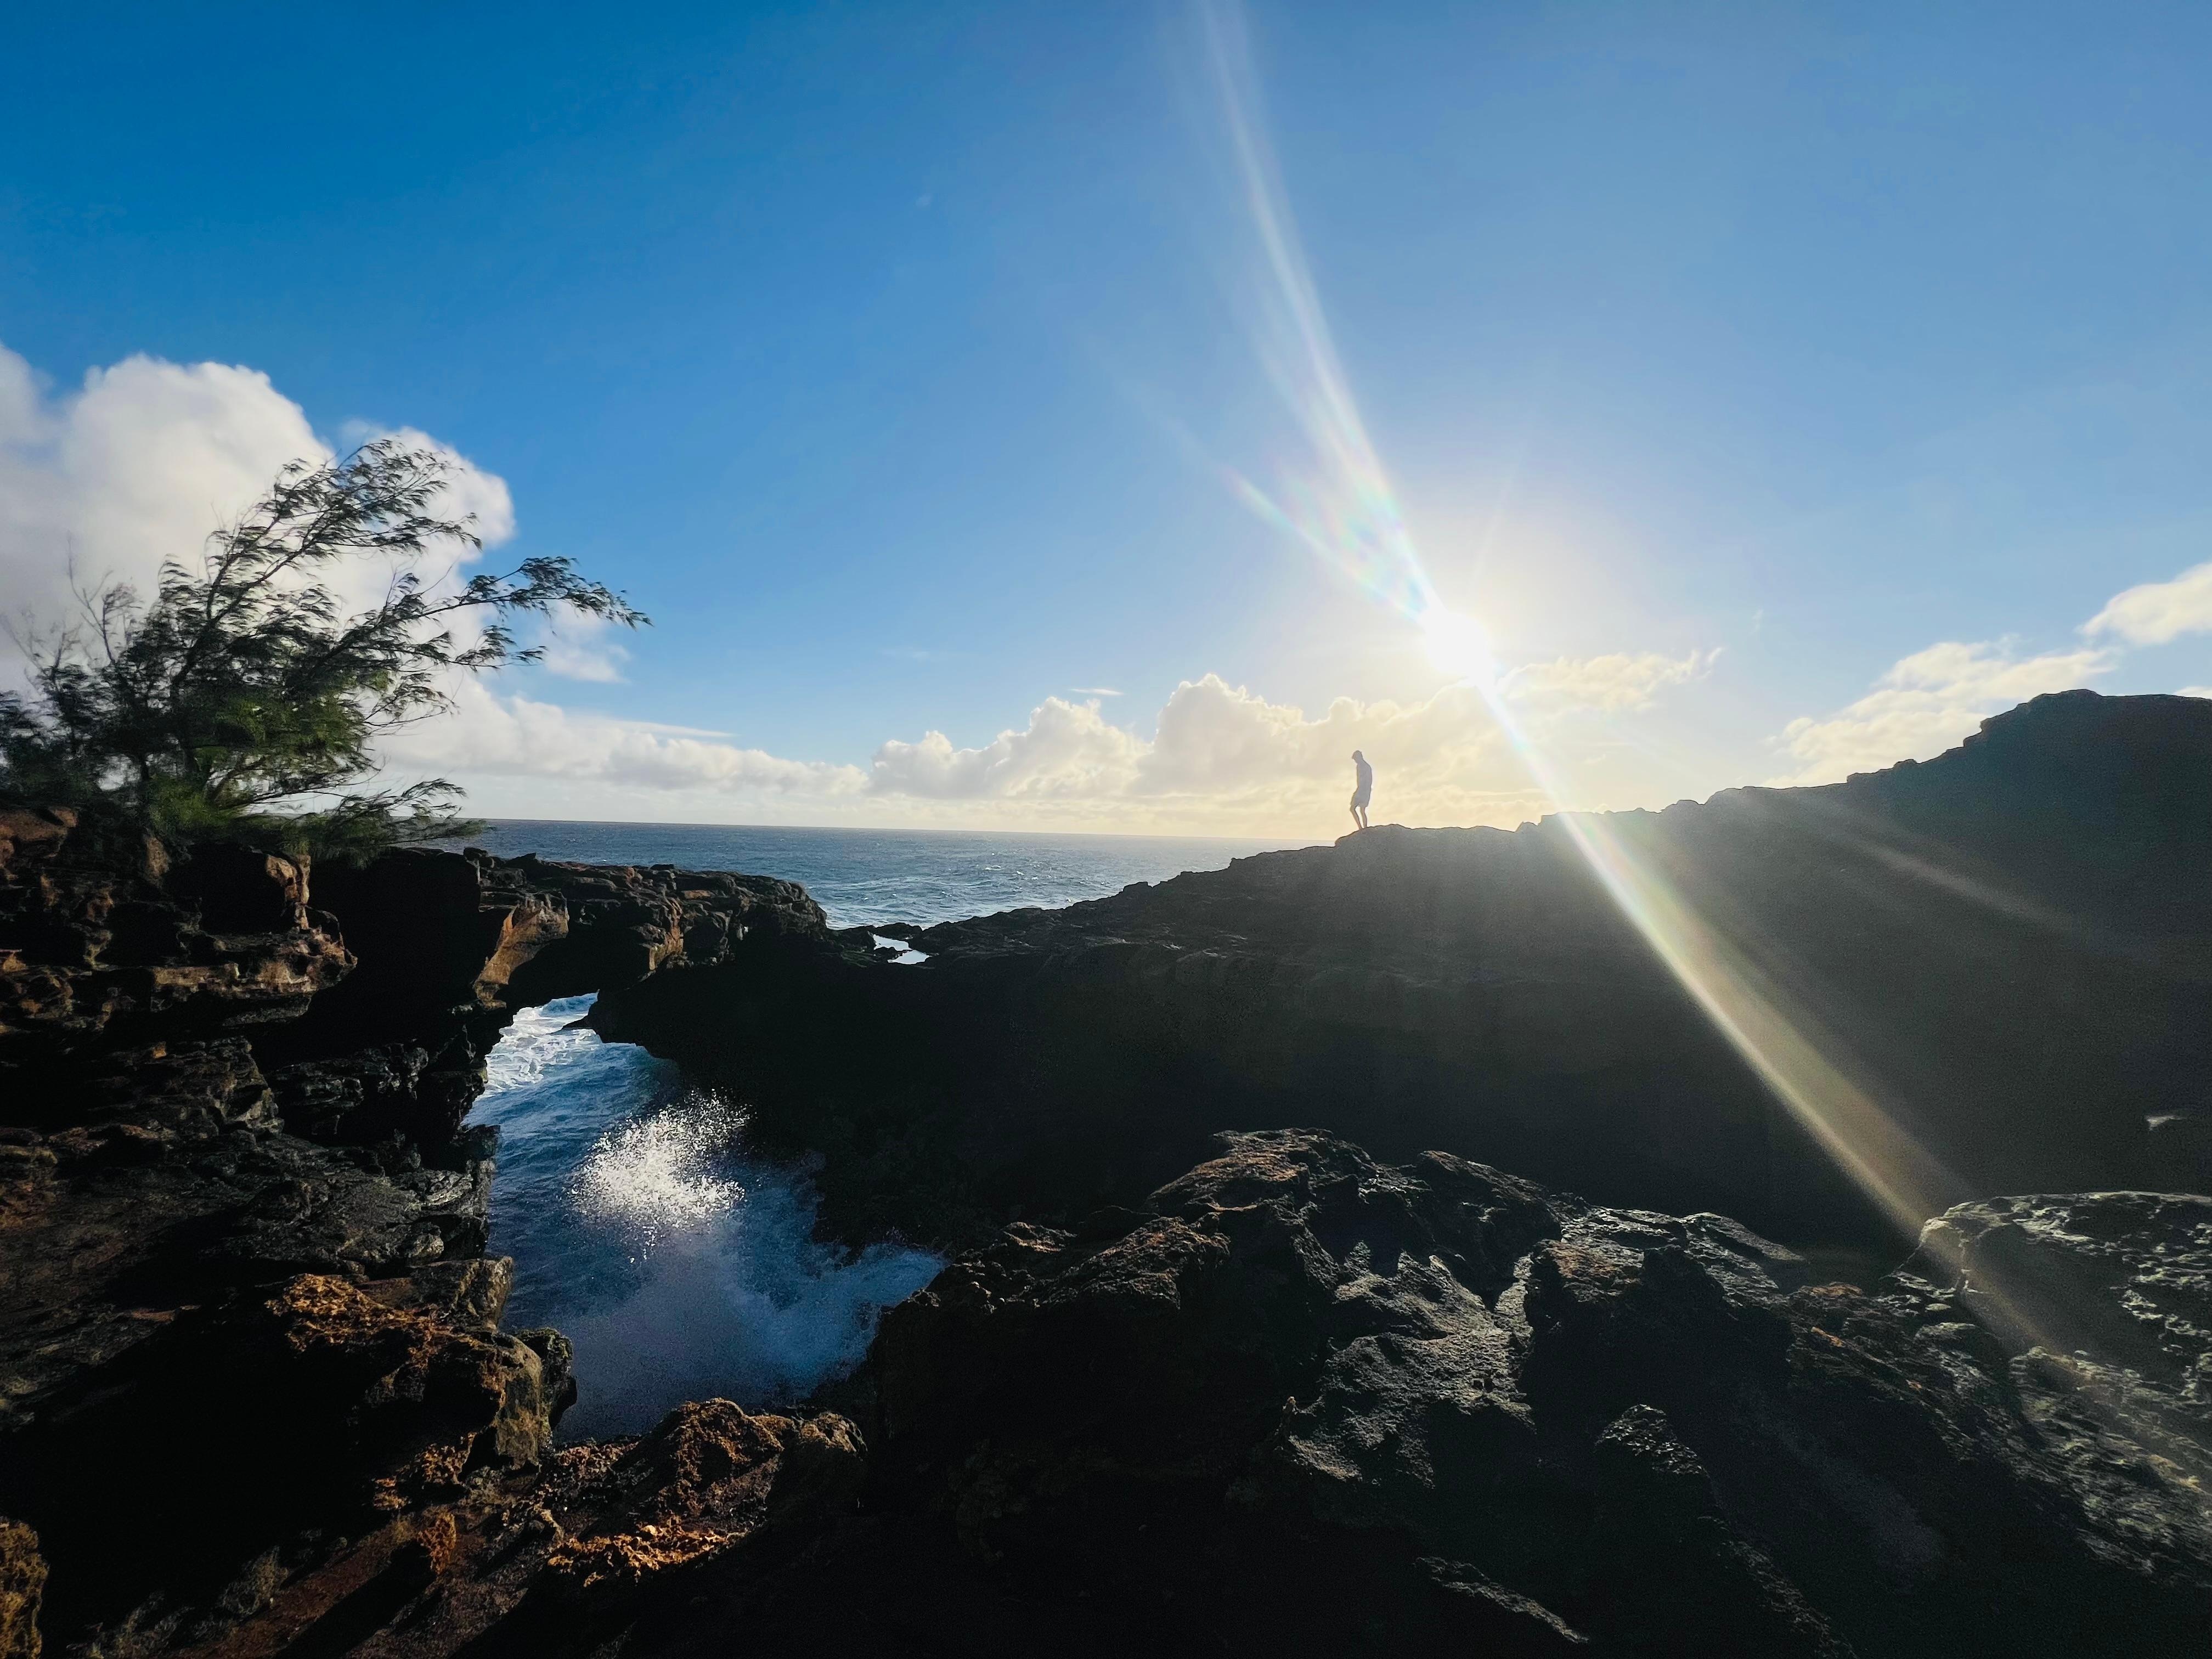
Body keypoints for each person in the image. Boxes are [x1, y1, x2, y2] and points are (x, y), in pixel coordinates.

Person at [1348, 749, 1373, 832]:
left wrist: (1366, 793)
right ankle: (1360, 827)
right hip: (1360, 790)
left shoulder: (1367, 767)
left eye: (1356, 759)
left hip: (1365, 790)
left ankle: (1365, 828)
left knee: (1362, 809)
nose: (1355, 761)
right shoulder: (1359, 766)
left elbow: (1369, 781)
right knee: (1353, 809)